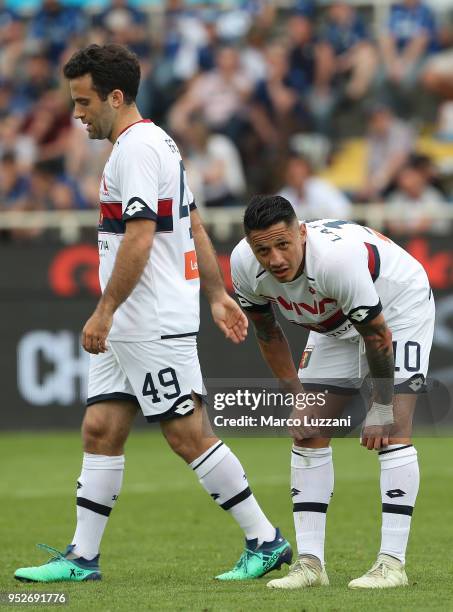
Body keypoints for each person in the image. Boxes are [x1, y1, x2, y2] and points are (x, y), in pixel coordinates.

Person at [14, 44, 291, 583]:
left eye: (84, 101)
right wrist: (216, 293)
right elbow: (194, 225)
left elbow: (140, 239)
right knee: (100, 428)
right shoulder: (156, 141)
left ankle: (266, 540)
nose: (78, 113)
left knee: (187, 433)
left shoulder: (137, 151)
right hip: (133, 321)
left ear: (116, 97)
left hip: (148, 318)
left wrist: (105, 310)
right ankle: (83, 558)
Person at [230, 195, 434, 589]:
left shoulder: (335, 262)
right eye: (263, 249)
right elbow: (267, 331)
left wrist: (381, 405)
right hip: (334, 322)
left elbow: (378, 336)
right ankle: (310, 565)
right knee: (307, 429)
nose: (274, 259)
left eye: (283, 244)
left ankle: (392, 564)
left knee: (391, 430)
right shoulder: (242, 264)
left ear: (302, 234)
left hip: (396, 307)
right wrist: (297, 396)